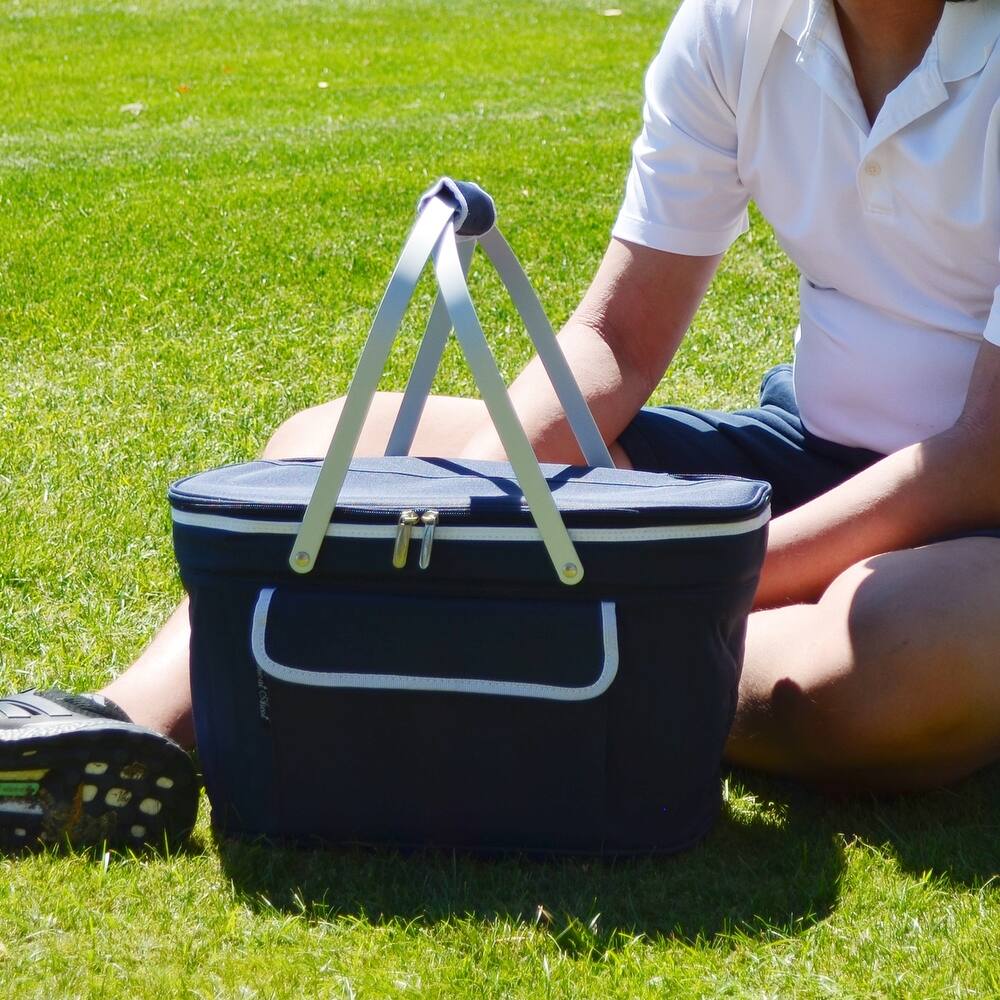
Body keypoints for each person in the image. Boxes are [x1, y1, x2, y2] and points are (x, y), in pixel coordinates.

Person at [4, 0, 1000, 848]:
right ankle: (110, 726)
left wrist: (679, 578)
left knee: (876, 673)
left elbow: (980, 458)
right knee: (334, 447)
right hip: (805, 448)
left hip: (977, 511)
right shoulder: (738, 24)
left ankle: (480, 661)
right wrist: (476, 530)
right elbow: (615, 340)